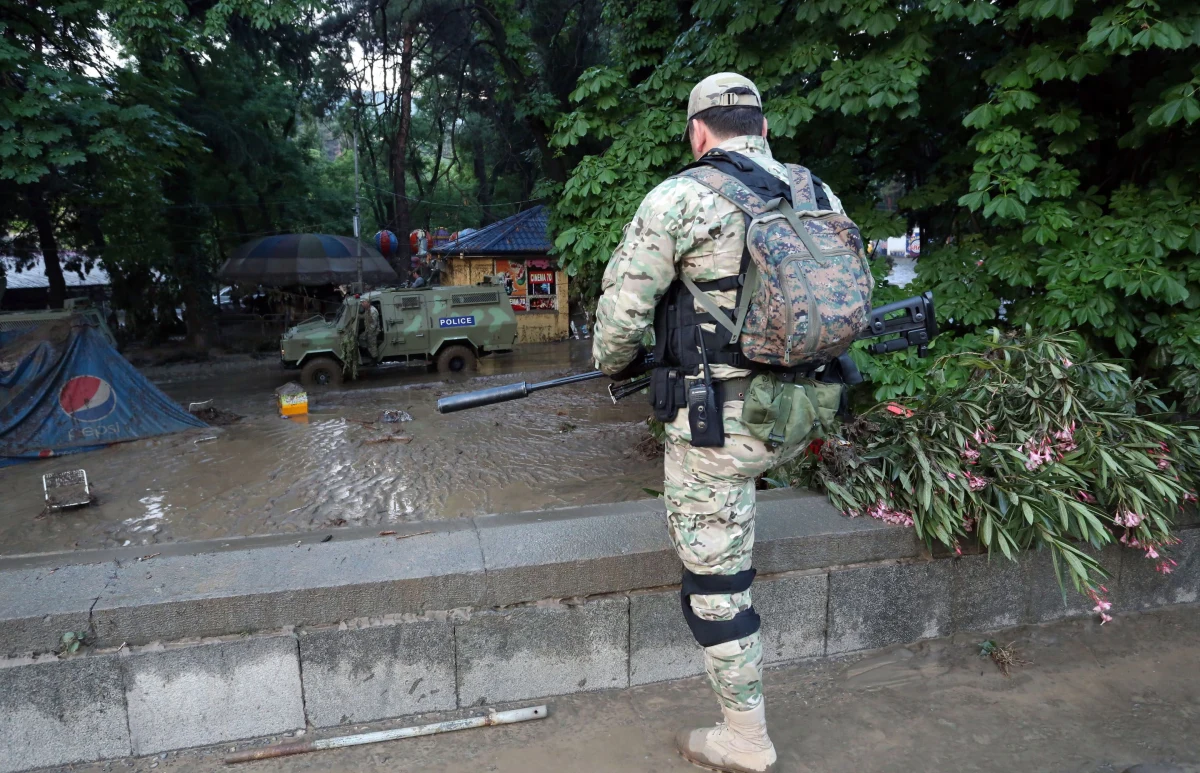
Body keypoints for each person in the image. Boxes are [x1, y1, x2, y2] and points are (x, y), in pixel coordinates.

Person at [591, 73, 851, 773]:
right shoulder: (818, 193)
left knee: (716, 585)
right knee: (735, 517)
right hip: (804, 408)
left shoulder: (678, 198)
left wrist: (614, 363)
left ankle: (744, 738)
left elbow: (619, 322)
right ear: (763, 129)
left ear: (698, 131)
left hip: (720, 428)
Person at [357, 297, 381, 361]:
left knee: (372, 345)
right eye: (361, 303)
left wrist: (367, 333)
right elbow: (364, 316)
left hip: (373, 332)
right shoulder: (368, 310)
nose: (362, 304)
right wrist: (357, 316)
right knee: (361, 338)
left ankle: (374, 360)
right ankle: (367, 352)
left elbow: (373, 325)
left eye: (363, 302)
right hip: (369, 330)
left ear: (368, 303)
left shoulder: (372, 311)